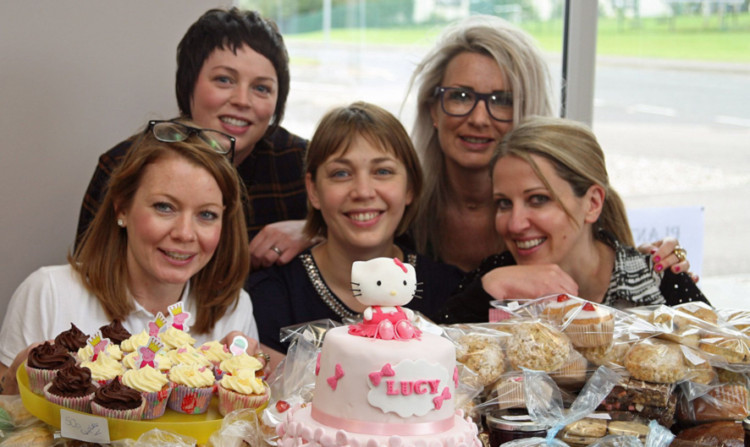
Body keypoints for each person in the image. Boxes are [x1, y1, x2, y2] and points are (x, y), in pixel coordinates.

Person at [404, 15, 691, 276]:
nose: (478, 118)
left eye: (502, 101)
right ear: (433, 110)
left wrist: (656, 267)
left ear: (528, 115)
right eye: (461, 96)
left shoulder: (572, 208)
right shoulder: (401, 211)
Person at [0, 120, 261, 394]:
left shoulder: (234, 309)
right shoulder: (48, 293)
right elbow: (8, 425)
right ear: (122, 208)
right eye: (164, 207)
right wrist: (13, 385)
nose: (185, 234)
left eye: (206, 215)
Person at [75, 7, 311, 270]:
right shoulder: (124, 164)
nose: (243, 101)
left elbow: (359, 235)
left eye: (261, 88)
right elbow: (88, 286)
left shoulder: (303, 162)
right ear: (189, 85)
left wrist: (313, 230)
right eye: (224, 80)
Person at [437, 117, 708, 323]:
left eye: (538, 199)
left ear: (592, 203)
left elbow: (725, 377)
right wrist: (491, 287)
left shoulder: (659, 281)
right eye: (504, 203)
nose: (515, 224)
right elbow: (431, 366)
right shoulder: (494, 281)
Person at [247, 102, 464, 359]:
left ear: (410, 187)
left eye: (383, 171)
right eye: (341, 173)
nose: (363, 191)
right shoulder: (269, 295)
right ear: (314, 190)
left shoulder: (452, 291)